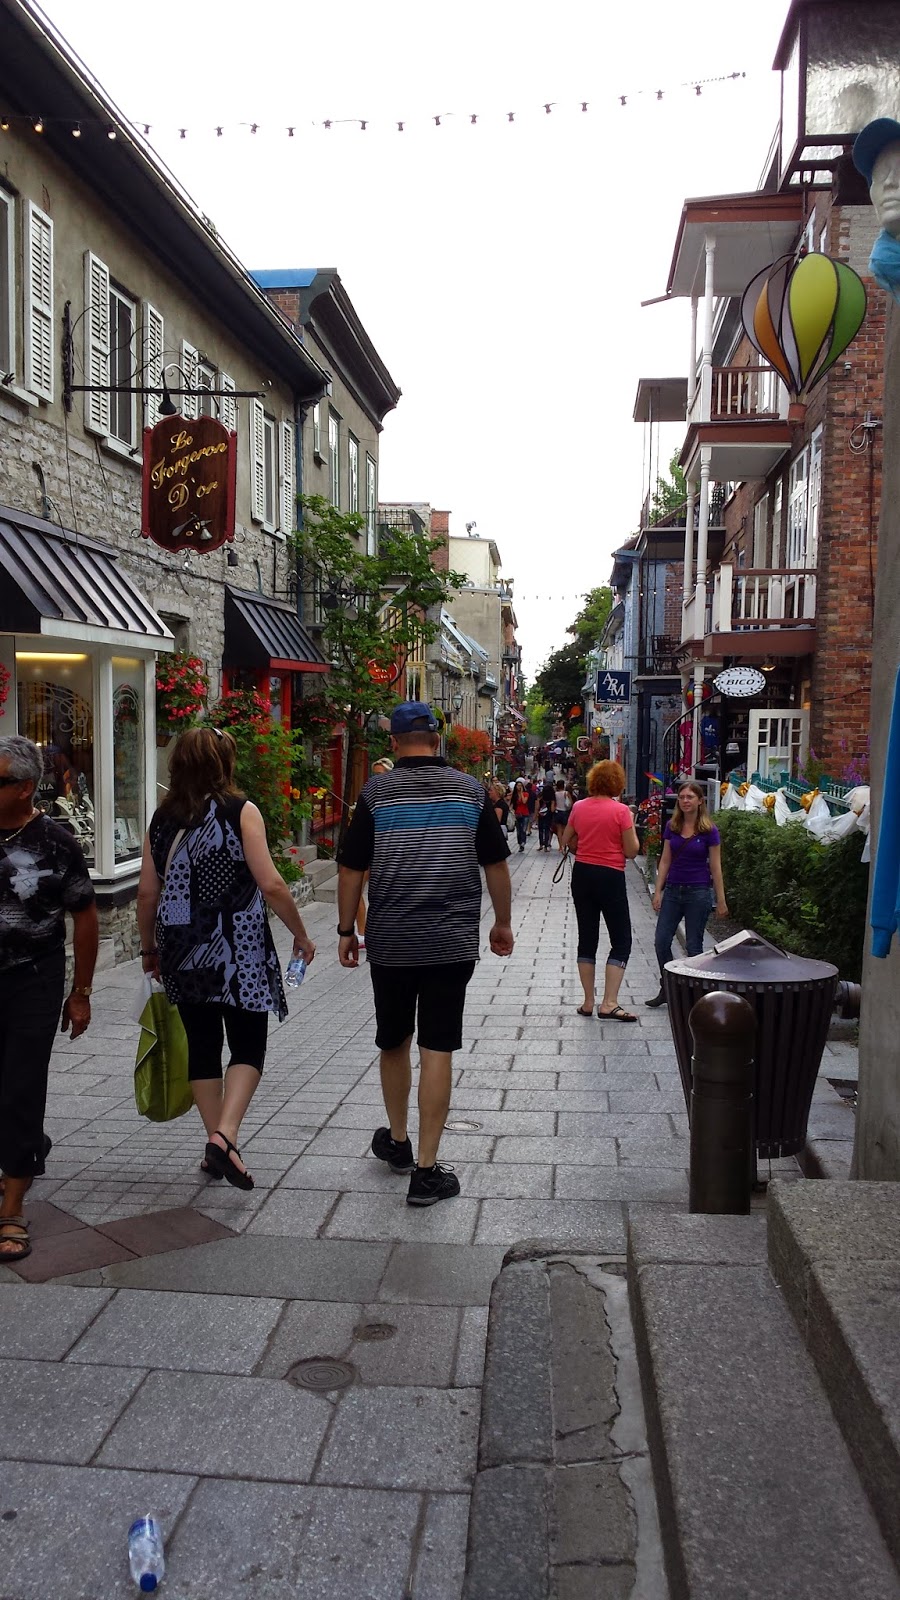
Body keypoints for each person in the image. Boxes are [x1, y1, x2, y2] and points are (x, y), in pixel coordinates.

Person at [336, 701, 514, 1205]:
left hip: (391, 940)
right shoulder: (469, 790)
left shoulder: (376, 793)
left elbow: (351, 868)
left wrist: (346, 929)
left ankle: (398, 1141)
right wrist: (502, 923)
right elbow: (495, 865)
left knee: (393, 1041)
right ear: (438, 740)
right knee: (438, 1047)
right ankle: (427, 1170)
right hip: (450, 941)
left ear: (393, 742)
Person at [137, 725, 315, 1189]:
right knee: (248, 1043)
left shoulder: (162, 819)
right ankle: (226, 1135)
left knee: (202, 1045)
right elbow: (271, 883)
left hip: (181, 947)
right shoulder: (241, 811)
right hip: (240, 947)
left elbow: (147, 894)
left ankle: (217, 1146)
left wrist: (149, 949)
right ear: (225, 762)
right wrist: (301, 934)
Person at [0, 735, 98, 1262]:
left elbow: (85, 916)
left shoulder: (56, 843)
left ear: (24, 788)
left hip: (33, 979)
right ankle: (26, 1147)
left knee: (21, 1085)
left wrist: (80, 993)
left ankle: (12, 1206)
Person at [562, 760, 640, 1021]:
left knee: (587, 937)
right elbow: (632, 851)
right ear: (617, 782)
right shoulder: (621, 812)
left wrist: (585, 844)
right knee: (621, 939)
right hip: (610, 876)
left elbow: (567, 840)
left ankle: (587, 1001)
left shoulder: (579, 807)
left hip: (582, 874)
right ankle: (609, 1002)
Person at [645, 780, 728, 1008]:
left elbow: (716, 867)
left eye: (690, 797)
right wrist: (658, 890)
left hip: (698, 892)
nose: (685, 801)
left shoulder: (709, 831)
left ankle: (694, 993)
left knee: (694, 947)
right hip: (673, 890)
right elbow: (665, 860)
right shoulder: (672, 827)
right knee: (661, 941)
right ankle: (668, 986)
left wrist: (720, 900)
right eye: (682, 797)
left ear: (700, 801)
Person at [356, 756, 394, 949]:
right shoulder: (369, 795)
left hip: (386, 852)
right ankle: (362, 933)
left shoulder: (395, 798)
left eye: (379, 774)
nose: (375, 779)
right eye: (373, 775)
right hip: (368, 850)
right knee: (356, 890)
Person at [552, 778, 571, 850]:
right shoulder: (566, 793)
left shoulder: (555, 794)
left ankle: (560, 846)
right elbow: (570, 803)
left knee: (559, 830)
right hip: (565, 812)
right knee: (565, 829)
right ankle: (564, 844)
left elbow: (554, 803)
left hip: (557, 812)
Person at [537, 778, 556, 849]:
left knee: (541, 829)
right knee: (547, 829)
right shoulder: (552, 798)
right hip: (548, 814)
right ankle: (546, 845)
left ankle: (541, 844)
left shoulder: (540, 797)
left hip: (541, 814)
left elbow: (537, 806)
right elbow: (552, 809)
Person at [512, 779, 530, 851]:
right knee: (519, 830)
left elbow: (524, 801)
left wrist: (522, 793)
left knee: (523, 829)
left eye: (520, 786)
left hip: (525, 813)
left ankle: (523, 843)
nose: (519, 787)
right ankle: (520, 842)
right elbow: (512, 803)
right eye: (518, 785)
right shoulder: (514, 795)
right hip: (517, 813)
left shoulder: (526, 794)